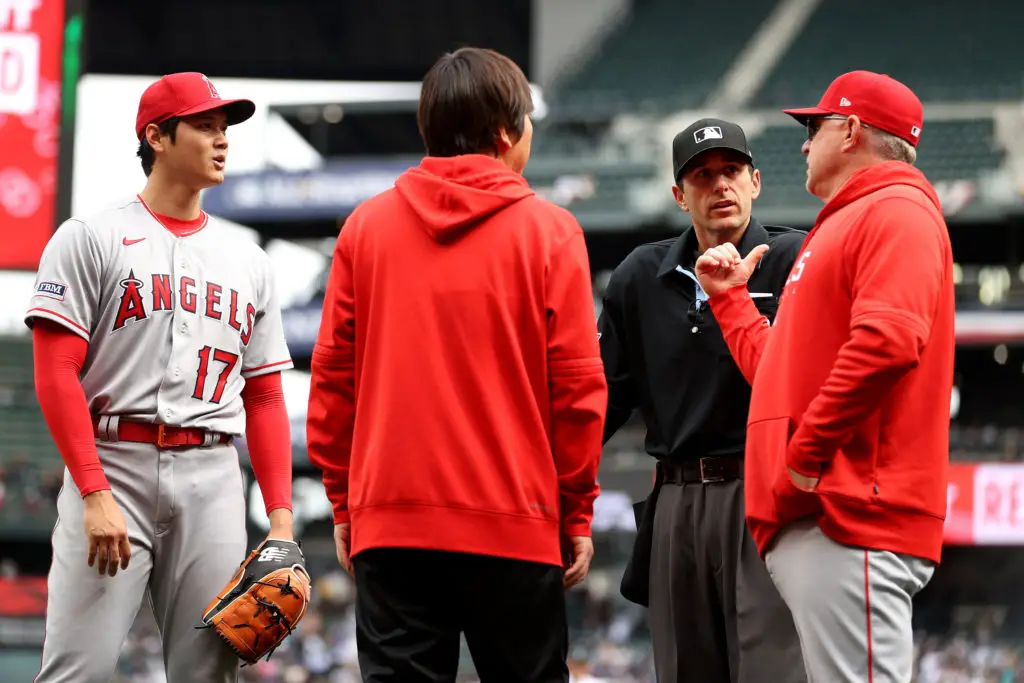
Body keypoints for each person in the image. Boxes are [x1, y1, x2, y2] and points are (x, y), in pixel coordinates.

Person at [306, 47, 607, 683]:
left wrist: (344, 505)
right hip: (516, 527)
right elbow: (578, 390)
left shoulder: (365, 228)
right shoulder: (552, 233)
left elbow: (334, 381)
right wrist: (575, 511)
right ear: (506, 132)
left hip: (393, 525)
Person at [26, 72, 297, 683]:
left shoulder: (250, 261)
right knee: (79, 671)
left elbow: (267, 394)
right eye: (205, 126)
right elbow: (56, 371)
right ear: (157, 136)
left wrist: (280, 520)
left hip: (213, 479)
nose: (222, 140)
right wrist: (93, 491)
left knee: (209, 674)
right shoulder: (89, 238)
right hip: (114, 463)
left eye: (225, 128)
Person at [695, 71, 955, 683]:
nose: (806, 143)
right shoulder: (846, 221)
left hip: (851, 515)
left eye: (816, 127)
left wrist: (805, 455)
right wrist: (732, 302)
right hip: (825, 517)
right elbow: (780, 374)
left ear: (855, 131)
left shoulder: (895, 209)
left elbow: (888, 343)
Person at [600, 117, 807, 683]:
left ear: (756, 181)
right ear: (678, 194)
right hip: (676, 498)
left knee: (772, 671)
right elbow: (601, 401)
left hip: (764, 490)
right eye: (702, 175)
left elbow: (801, 389)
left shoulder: (795, 260)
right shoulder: (641, 275)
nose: (720, 185)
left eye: (732, 171)